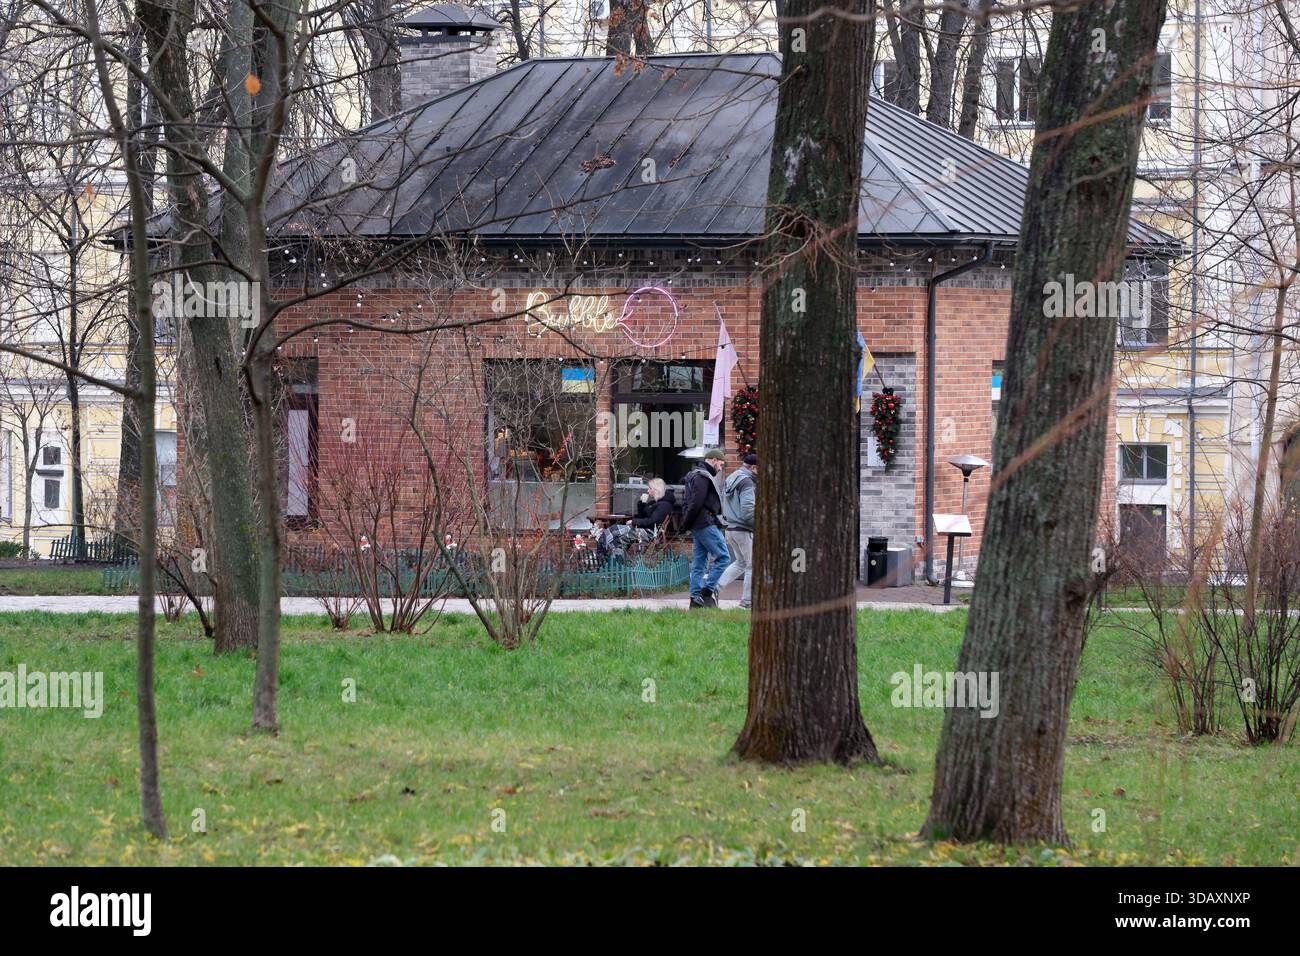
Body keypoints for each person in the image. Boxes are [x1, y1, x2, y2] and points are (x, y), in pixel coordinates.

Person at [682, 448, 730, 608]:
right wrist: (686, 523)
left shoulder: (695, 475)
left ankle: (695, 600)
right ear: (714, 460)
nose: (720, 468)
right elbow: (696, 503)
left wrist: (686, 523)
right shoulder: (702, 476)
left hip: (698, 524)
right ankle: (706, 592)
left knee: (699, 562)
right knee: (724, 557)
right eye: (720, 464)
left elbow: (688, 503)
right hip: (704, 523)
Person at [596, 478, 675, 561]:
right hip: (646, 530)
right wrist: (642, 503)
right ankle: (615, 562)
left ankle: (600, 554)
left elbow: (652, 521)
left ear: (656, 489)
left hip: (650, 533)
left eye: (650, 488)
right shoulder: (656, 503)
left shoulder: (664, 505)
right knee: (618, 540)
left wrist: (634, 521)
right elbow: (643, 518)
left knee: (614, 529)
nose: (648, 491)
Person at [717, 452, 757, 608]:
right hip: (744, 529)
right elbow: (748, 511)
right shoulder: (747, 482)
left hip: (730, 528)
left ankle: (714, 588)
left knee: (740, 563)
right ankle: (747, 602)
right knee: (751, 566)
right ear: (753, 468)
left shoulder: (732, 477)